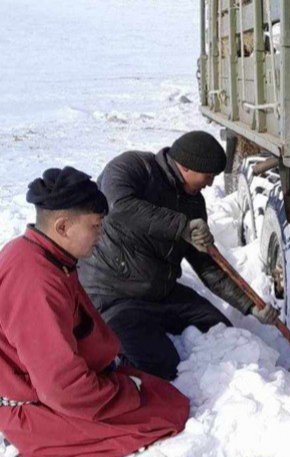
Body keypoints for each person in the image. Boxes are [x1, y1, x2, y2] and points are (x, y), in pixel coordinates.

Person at [0, 167, 190, 457]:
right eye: (95, 226)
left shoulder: (43, 254)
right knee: (164, 416)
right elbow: (61, 388)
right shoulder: (36, 281)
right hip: (35, 405)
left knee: (161, 395)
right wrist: (123, 393)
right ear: (63, 226)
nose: (101, 235)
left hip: (54, 388)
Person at [79, 131, 277, 380]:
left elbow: (207, 264)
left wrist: (249, 305)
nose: (210, 184)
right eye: (208, 176)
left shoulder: (193, 203)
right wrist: (181, 227)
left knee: (220, 330)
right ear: (185, 167)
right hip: (115, 296)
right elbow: (119, 208)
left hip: (163, 294)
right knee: (161, 366)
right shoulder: (132, 168)